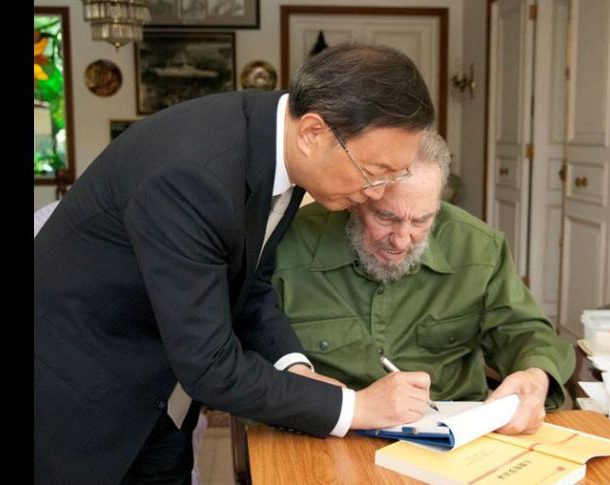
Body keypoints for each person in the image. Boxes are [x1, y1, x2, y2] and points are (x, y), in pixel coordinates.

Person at [35, 42, 435, 485]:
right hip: (79, 402)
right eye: (374, 172)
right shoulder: (193, 174)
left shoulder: (281, 149)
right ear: (313, 133)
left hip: (163, 396)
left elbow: (250, 281)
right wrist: (355, 408)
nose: (377, 192)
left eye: (390, 177)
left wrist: (295, 368)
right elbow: (208, 365)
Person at [272, 132, 575, 435]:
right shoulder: (288, 243)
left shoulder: (479, 248)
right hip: (322, 433)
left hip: (451, 436)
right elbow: (248, 355)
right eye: (386, 217)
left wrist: (536, 378)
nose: (401, 241)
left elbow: (526, 332)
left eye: (421, 221)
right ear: (358, 197)